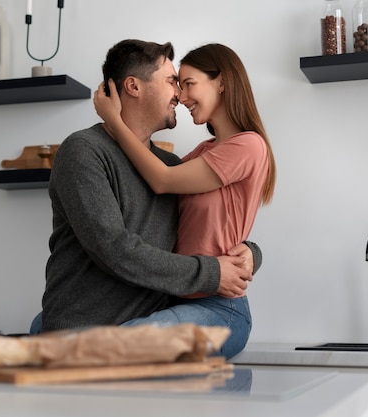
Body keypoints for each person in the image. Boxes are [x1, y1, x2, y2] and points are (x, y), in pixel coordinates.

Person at [41, 40, 262, 356]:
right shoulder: (84, 152)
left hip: (146, 327)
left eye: (185, 84)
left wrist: (251, 252)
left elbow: (209, 224)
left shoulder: (172, 166)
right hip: (88, 334)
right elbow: (116, 250)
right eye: (173, 81)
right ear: (133, 86)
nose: (179, 95)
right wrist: (213, 273)